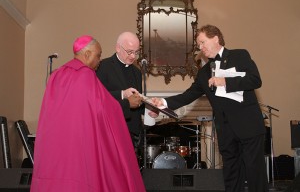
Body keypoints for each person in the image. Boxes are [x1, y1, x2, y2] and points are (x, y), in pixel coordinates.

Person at [151, 25, 268, 192]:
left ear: (216, 38)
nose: (200, 47)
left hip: (248, 126)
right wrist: (163, 102)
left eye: (202, 42)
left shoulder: (240, 55)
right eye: (198, 44)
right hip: (226, 130)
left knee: (255, 173)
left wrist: (226, 82)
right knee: (232, 174)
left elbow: (255, 80)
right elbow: (188, 95)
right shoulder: (204, 73)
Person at [30, 35, 146, 192]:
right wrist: (128, 103)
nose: (99, 60)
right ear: (87, 55)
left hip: (56, 143)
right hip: (79, 143)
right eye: (98, 55)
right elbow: (103, 109)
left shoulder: (56, 75)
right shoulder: (86, 75)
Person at [96, 32, 144, 151]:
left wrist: (150, 109)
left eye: (136, 52)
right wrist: (122, 94)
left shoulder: (137, 72)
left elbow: (137, 103)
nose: (133, 56)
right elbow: (97, 97)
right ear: (118, 48)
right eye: (130, 52)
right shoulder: (102, 67)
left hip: (133, 134)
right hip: (111, 131)